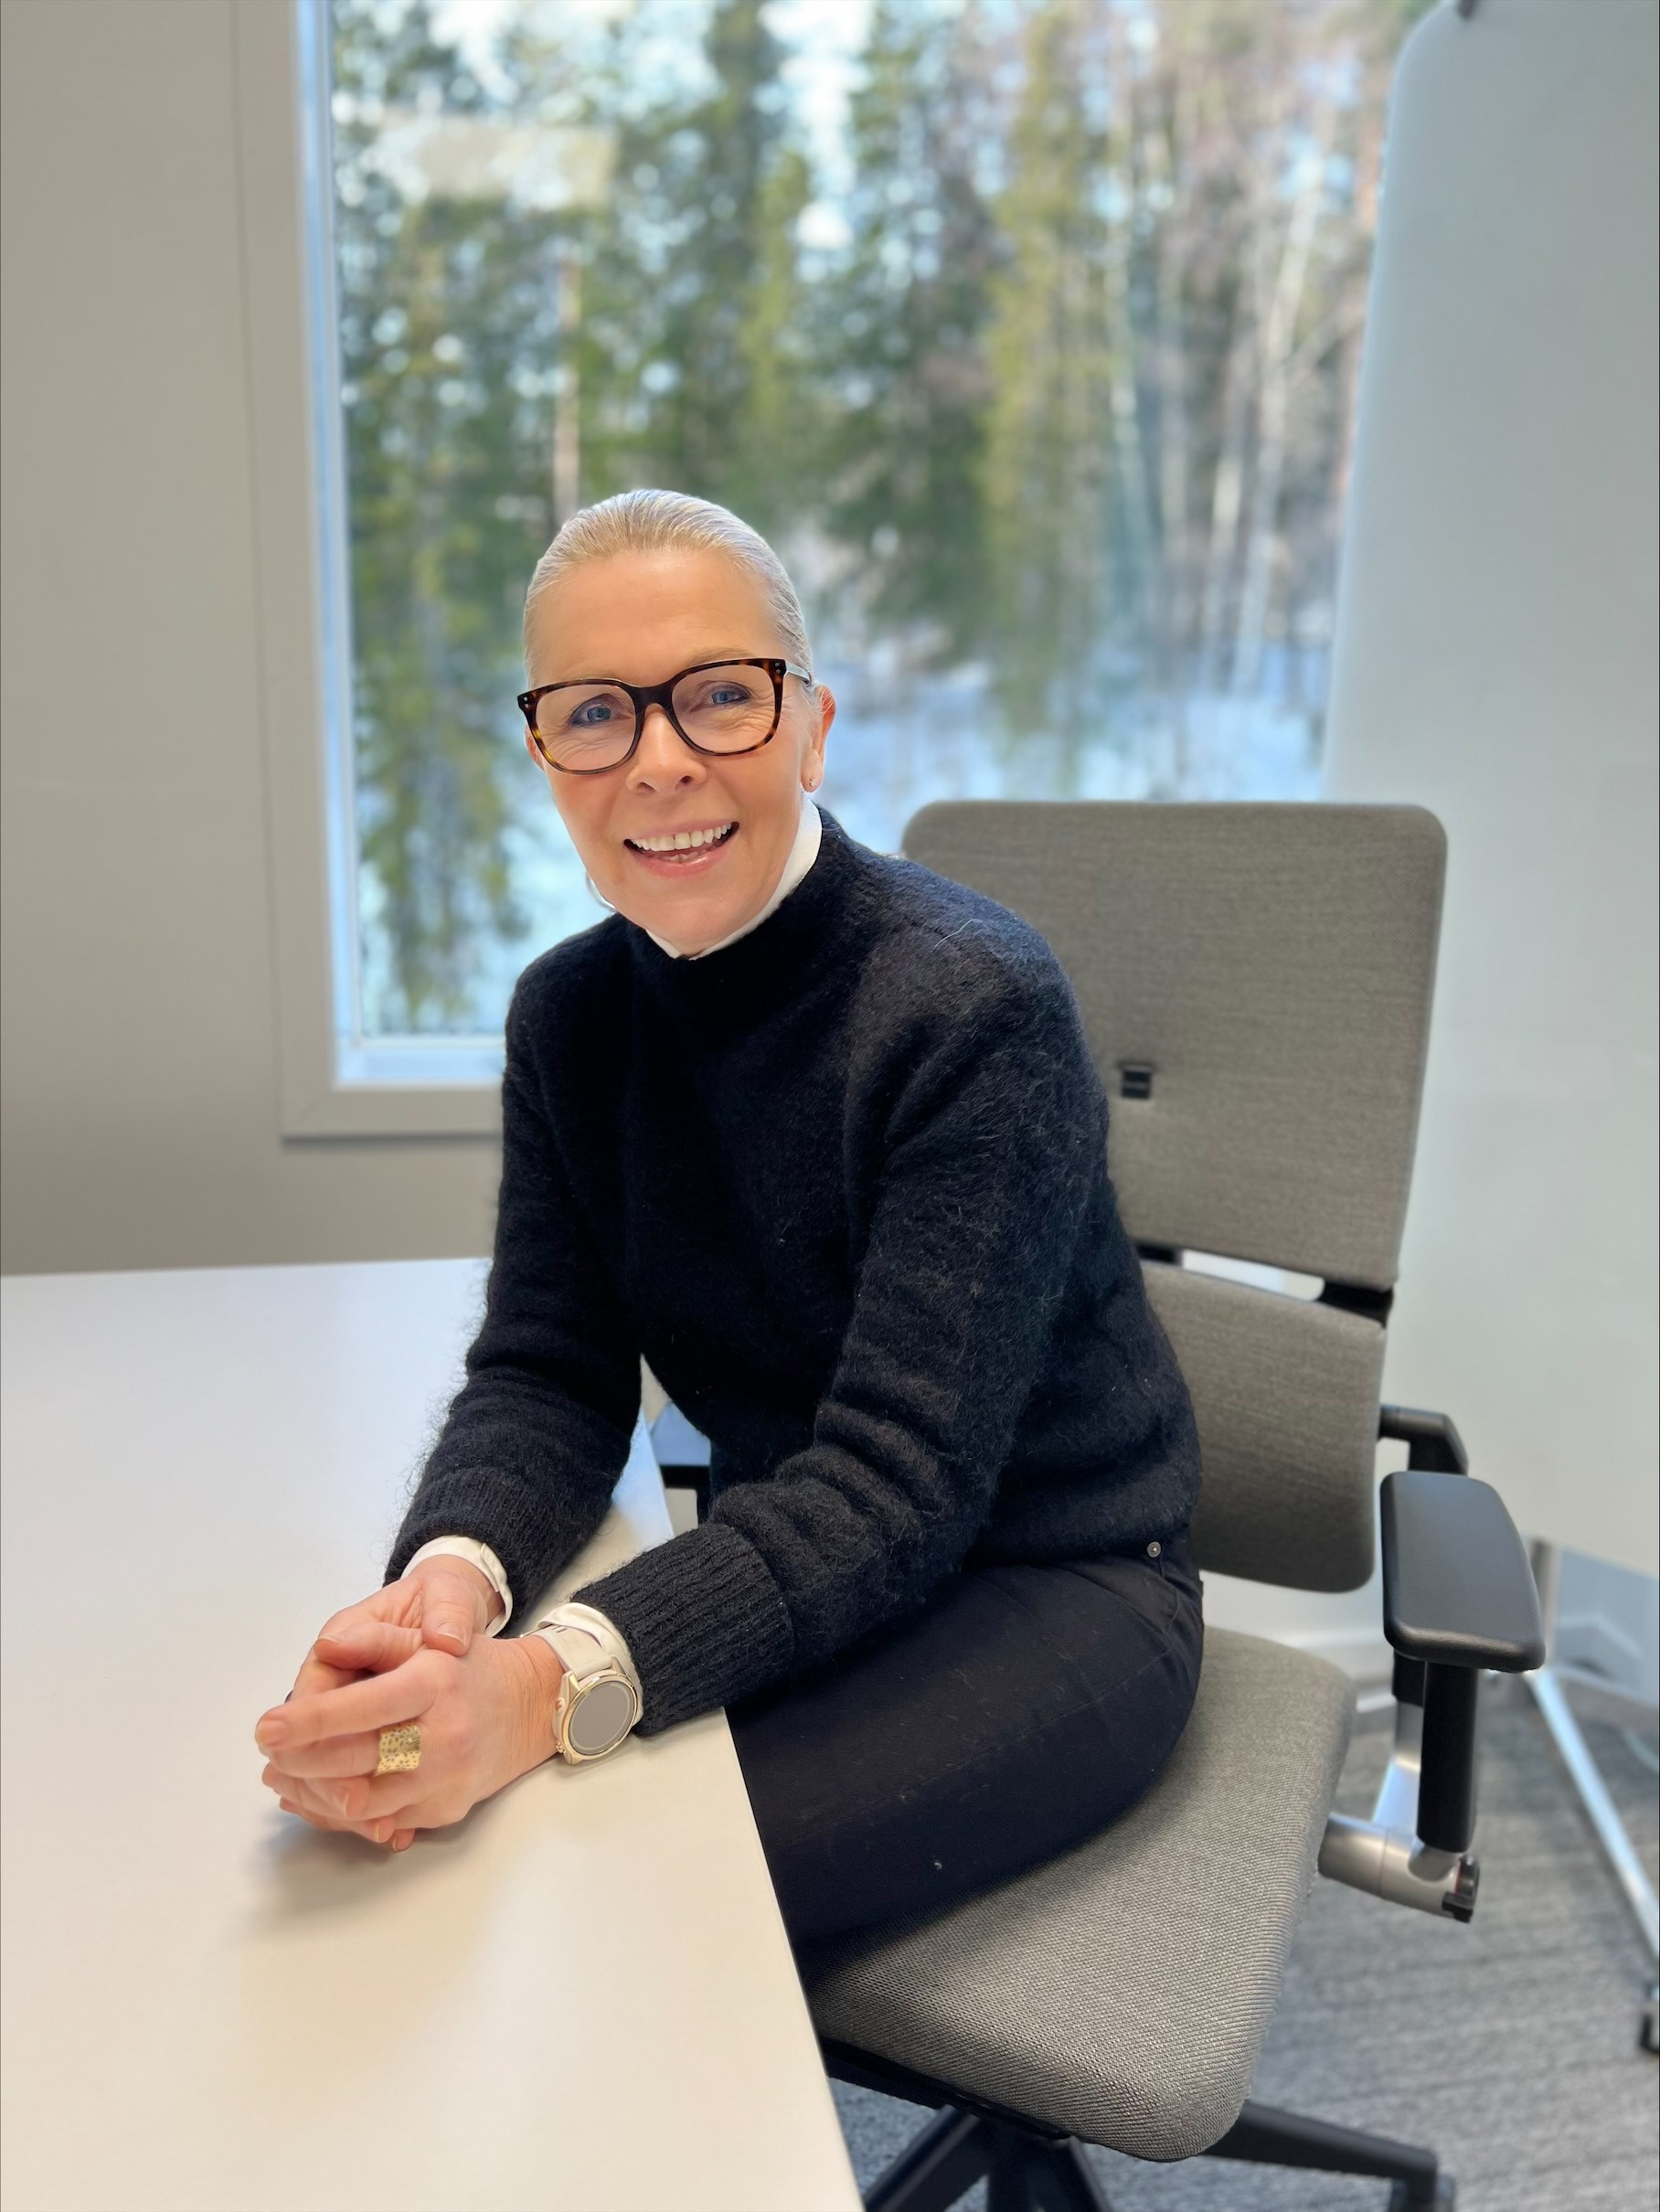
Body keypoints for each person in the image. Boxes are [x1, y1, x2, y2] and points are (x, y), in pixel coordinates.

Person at [253, 489, 1203, 1947]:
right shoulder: (568, 1017)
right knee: (471, 1852)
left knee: (622, 1892)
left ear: (813, 726)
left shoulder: (969, 1009)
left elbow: (901, 1483)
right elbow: (551, 1372)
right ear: (544, 756)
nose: (659, 763)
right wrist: (447, 1603)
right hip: (824, 1550)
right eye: (594, 715)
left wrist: (543, 1687)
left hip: (1052, 1583)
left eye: (718, 698)